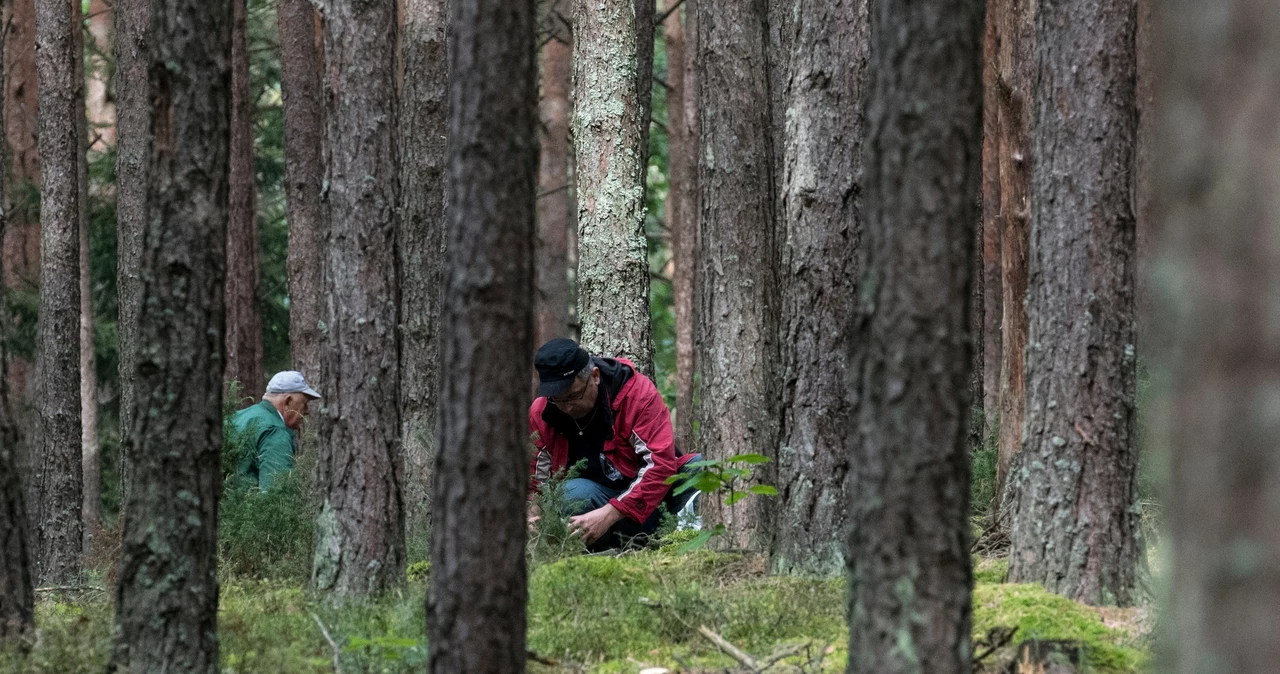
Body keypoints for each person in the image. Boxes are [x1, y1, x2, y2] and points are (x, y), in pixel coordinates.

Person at [528, 338, 699, 550]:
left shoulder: (636, 396)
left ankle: (681, 530)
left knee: (703, 468)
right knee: (568, 495)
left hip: (657, 498)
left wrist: (610, 513)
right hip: (595, 503)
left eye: (573, 396)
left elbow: (661, 464)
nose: (567, 407)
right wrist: (531, 515)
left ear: (595, 377)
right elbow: (536, 483)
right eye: (557, 399)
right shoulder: (543, 412)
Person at [232, 371, 321, 491]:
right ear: (288, 402)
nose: (307, 411)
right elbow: (276, 496)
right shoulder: (275, 432)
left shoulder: (238, 416)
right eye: (304, 404)